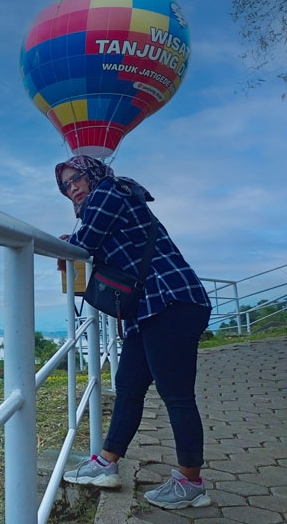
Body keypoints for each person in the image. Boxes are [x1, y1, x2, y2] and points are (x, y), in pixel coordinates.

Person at [57, 155, 213, 510]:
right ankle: (106, 463)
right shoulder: (112, 198)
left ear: (93, 173)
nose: (73, 189)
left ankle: (191, 483)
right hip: (148, 310)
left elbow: (88, 242)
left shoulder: (110, 190)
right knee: (127, 385)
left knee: (176, 395)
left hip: (170, 301)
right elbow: (93, 240)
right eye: (65, 186)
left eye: (76, 178)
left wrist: (73, 240)